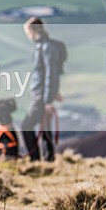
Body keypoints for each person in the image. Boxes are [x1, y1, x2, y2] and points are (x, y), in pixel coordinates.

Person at [21, 17, 64, 162]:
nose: (27, 36)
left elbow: (51, 73)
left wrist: (48, 100)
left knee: (26, 126)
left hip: (40, 95)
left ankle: (35, 160)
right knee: (44, 126)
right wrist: (53, 92)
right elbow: (52, 72)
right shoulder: (45, 46)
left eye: (27, 32)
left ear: (32, 30)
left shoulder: (46, 47)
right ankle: (48, 160)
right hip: (42, 94)